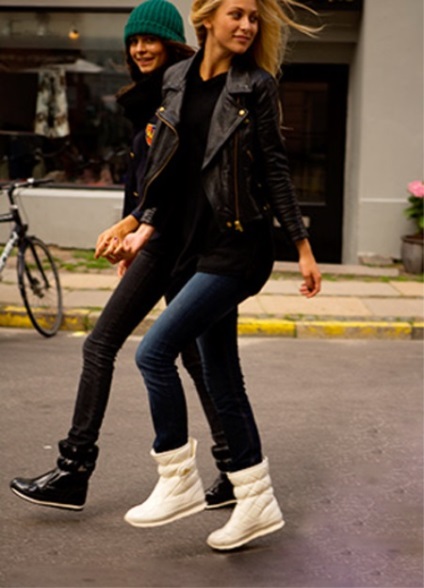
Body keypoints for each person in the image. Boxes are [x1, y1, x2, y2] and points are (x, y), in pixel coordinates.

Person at [106, 0, 322, 551]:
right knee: (222, 375)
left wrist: (301, 245)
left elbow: (274, 167)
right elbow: (167, 169)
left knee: (153, 353)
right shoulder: (177, 78)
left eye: (252, 17)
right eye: (236, 14)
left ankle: (176, 476)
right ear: (206, 19)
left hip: (238, 247)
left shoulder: (256, 86)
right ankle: (255, 499)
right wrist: (142, 224)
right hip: (193, 248)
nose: (247, 25)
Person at [9, 0, 235, 513]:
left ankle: (74, 470)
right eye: (133, 41)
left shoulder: (178, 94)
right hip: (161, 243)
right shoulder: (149, 100)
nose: (139, 49)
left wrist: (134, 226)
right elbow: (144, 180)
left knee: (104, 345)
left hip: (174, 243)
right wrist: (130, 235)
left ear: (171, 44)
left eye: (149, 39)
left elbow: (176, 182)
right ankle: (235, 468)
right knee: (191, 357)